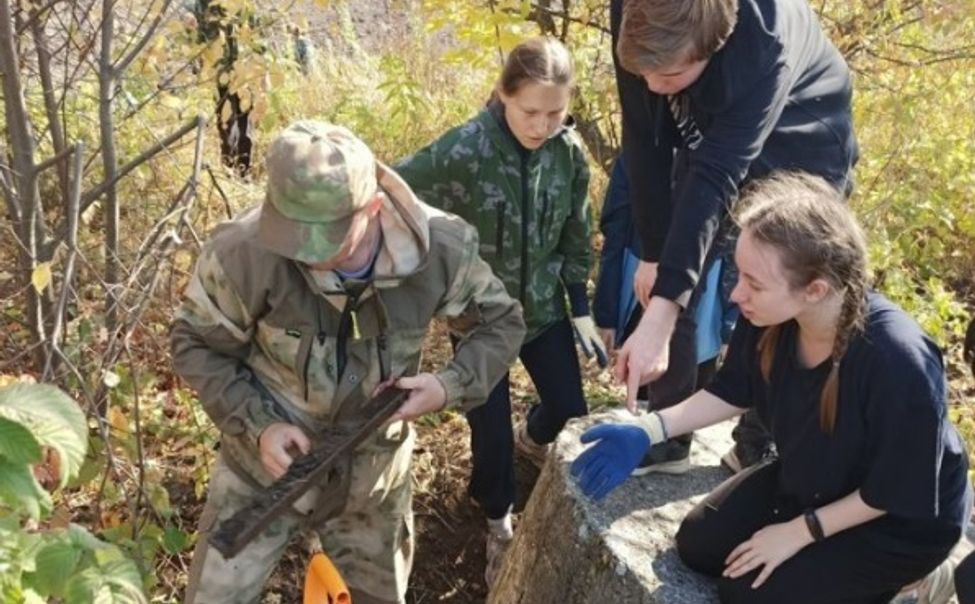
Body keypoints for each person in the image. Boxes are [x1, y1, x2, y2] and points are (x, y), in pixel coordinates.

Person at [571, 173, 971, 603]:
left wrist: (801, 532)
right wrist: (649, 430)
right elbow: (733, 390)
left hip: (895, 518)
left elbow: (894, 489)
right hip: (815, 474)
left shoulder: (898, 359)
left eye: (754, 283)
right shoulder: (770, 316)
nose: (736, 295)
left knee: (748, 594)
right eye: (740, 276)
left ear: (815, 289)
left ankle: (922, 583)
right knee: (699, 546)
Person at [172, 120, 525, 604]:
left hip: (372, 480)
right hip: (262, 469)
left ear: (373, 207)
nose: (308, 255)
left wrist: (448, 386)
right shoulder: (244, 254)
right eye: (294, 236)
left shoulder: (440, 250)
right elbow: (195, 343)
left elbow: (501, 323)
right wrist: (259, 426)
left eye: (329, 240)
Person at [609, 0, 859, 473]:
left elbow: (717, 176)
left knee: (778, 280)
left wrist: (661, 314)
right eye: (645, 73)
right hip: (710, 121)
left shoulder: (766, 41)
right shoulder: (637, 11)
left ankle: (757, 439)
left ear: (712, 44)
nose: (652, 88)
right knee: (676, 268)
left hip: (803, 132)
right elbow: (642, 137)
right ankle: (669, 427)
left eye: (668, 75)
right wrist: (655, 253)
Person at [395, 36, 603, 584]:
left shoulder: (568, 152)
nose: (541, 125)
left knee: (567, 406)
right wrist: (428, 267)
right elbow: (394, 188)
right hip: (480, 320)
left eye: (555, 112)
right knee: (488, 440)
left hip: (542, 313)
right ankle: (497, 519)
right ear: (503, 95)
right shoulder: (464, 149)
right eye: (529, 111)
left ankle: (531, 440)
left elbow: (577, 231)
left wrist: (578, 303)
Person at [593, 155, 741, 474]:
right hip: (643, 271)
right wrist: (605, 311)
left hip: (705, 283)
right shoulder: (642, 147)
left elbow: (735, 243)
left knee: (692, 350)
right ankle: (656, 432)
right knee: (648, 364)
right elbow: (616, 227)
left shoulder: (728, 144)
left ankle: (672, 443)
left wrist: (732, 323)